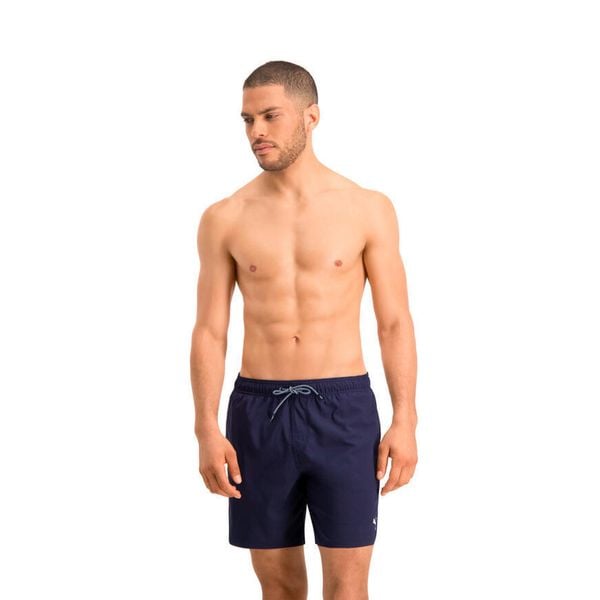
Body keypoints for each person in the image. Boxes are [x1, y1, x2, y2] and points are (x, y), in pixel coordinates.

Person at [190, 60, 418, 600]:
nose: (256, 132)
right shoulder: (225, 217)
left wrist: (405, 418)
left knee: (348, 585)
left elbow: (393, 322)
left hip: (344, 410)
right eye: (247, 120)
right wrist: (206, 428)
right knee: (279, 585)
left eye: (270, 116)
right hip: (257, 412)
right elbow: (209, 331)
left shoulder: (367, 208)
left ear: (311, 117)